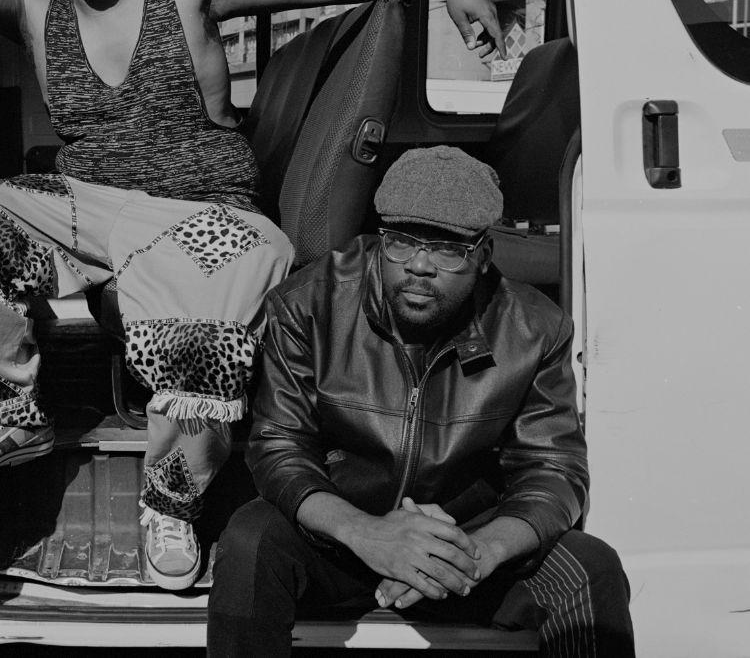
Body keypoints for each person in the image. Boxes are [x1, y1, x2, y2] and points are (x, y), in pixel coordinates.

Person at [0, 0, 508, 592]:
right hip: (91, 207)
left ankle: (170, 501)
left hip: (203, 208)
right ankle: (12, 413)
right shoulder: (37, 7)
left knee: (200, 336)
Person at [206, 146, 634, 656]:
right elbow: (278, 447)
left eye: (448, 249)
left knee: (590, 567)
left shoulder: (534, 327)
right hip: (340, 539)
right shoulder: (310, 302)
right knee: (251, 540)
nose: (420, 265)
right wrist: (367, 534)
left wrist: (481, 551)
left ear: (482, 256)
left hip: (462, 544)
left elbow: (553, 469)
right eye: (402, 242)